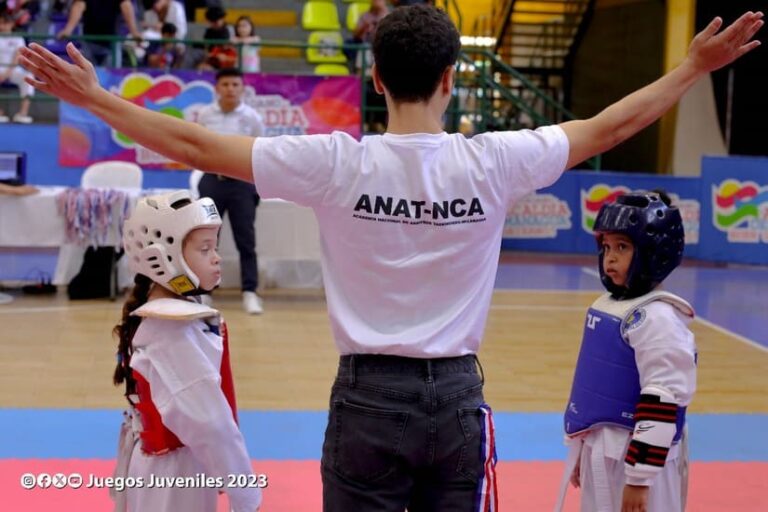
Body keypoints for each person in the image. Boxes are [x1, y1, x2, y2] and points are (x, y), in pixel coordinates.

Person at [19, 5, 763, 510]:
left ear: (375, 80)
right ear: (450, 79)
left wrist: (96, 99)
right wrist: (692, 67)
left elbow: (193, 144)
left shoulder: (335, 163)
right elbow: (609, 127)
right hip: (458, 400)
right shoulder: (493, 161)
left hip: (367, 399)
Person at [110, 190, 262, 512]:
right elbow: (211, 425)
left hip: (163, 468)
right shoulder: (172, 330)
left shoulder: (163, 311)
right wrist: (246, 495)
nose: (216, 258)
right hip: (175, 478)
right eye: (204, 249)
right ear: (163, 257)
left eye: (215, 247)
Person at [556, 190, 696, 512]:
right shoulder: (608, 307)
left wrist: (640, 477)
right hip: (602, 452)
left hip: (640, 458)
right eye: (606, 247)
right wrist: (582, 447)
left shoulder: (658, 318)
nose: (610, 258)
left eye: (622, 247)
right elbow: (595, 386)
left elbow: (663, 395)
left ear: (653, 252)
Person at [195, 68, 265, 315]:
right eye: (225, 84)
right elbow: (199, 146)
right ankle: (205, 291)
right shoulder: (205, 114)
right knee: (205, 239)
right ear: (217, 88)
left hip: (241, 184)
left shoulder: (252, 117)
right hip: (211, 181)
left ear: (242, 88)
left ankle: (250, 292)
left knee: (246, 240)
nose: (230, 89)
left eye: (235, 84)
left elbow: (259, 150)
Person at [56, 0, 142, 67]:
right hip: (89, 40)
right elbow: (79, 6)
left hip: (112, 42)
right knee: (87, 75)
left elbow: (126, 6)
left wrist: (134, 32)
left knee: (111, 75)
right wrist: (68, 30)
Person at [0, 12, 33, 123]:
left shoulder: (18, 38)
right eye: (0, 23)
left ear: (11, 24)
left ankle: (23, 113)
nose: (1, 26)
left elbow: (17, 56)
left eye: (4, 23)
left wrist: (8, 72)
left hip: (14, 69)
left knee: (28, 77)